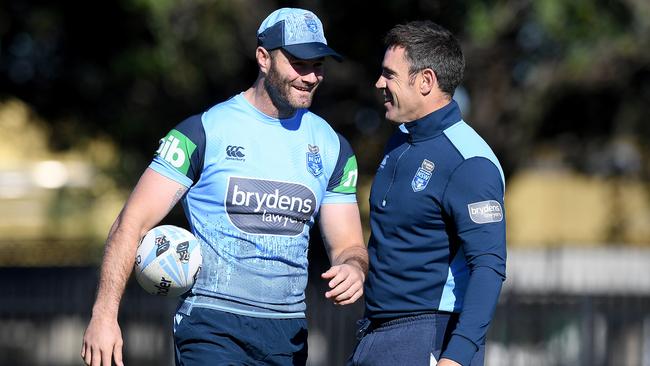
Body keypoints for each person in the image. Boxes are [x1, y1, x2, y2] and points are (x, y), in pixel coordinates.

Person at [81, 7, 368, 366]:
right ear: (264, 58)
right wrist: (104, 316)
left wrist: (353, 267)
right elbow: (131, 223)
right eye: (298, 62)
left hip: (287, 333)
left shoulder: (332, 147)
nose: (310, 76)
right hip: (212, 326)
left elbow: (349, 245)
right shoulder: (202, 132)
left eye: (319, 65)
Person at [348, 21, 506, 366]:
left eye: (390, 74)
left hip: (430, 336)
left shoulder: (470, 161)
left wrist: (458, 356)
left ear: (426, 81)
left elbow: (489, 266)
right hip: (375, 333)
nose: (379, 83)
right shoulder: (400, 141)